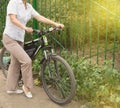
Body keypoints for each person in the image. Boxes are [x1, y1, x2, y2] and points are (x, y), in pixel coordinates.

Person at [2, 0, 64, 98]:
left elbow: (39, 17)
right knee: (26, 61)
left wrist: (55, 23)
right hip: (10, 37)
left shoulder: (29, 7)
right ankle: (26, 87)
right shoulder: (13, 2)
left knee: (15, 63)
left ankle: (11, 88)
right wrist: (25, 28)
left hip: (19, 39)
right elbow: (12, 19)